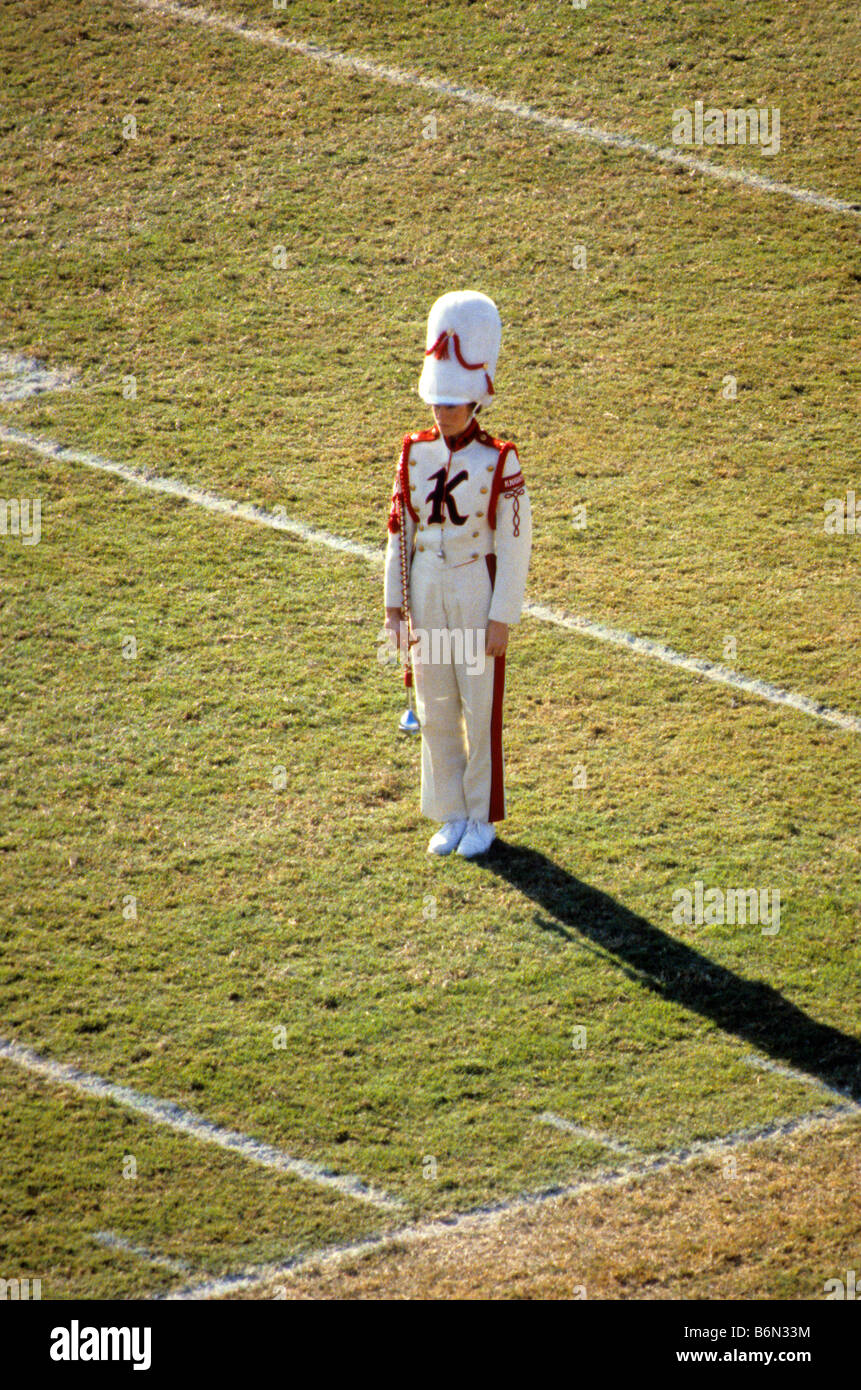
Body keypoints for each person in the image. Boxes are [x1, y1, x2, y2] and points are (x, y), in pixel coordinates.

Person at [384, 290, 532, 858]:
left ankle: (480, 816)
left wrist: (503, 617)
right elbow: (400, 529)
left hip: (474, 587)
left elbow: (516, 544)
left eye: (452, 404)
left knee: (478, 703)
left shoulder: (500, 460)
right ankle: (448, 811)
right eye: (436, 404)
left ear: (474, 403)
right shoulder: (413, 453)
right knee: (435, 703)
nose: (440, 413)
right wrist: (394, 608)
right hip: (426, 586)